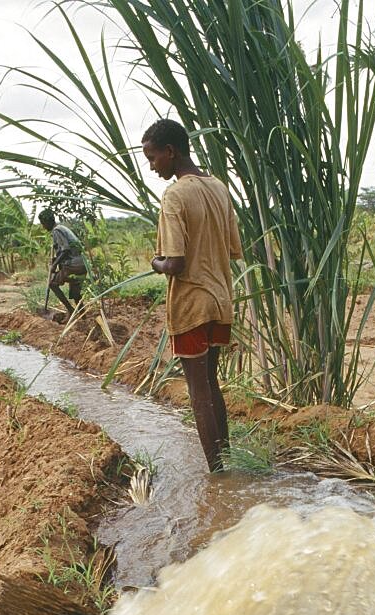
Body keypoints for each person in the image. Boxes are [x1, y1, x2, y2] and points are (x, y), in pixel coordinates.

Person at [142, 119, 242, 472]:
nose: (153, 167)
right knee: (212, 386)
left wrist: (156, 262)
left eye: (153, 158)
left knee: (198, 393)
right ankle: (226, 462)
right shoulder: (219, 187)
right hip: (220, 301)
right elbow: (233, 248)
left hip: (191, 305)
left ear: (171, 152)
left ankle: (217, 476)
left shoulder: (175, 195)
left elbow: (176, 262)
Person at [38, 208, 87, 319]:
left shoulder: (56, 231)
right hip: (82, 264)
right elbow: (66, 250)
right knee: (76, 293)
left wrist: (55, 264)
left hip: (73, 265)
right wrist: (56, 258)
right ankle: (83, 316)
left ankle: (71, 311)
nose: (43, 227)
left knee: (52, 284)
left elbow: (65, 250)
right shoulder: (62, 228)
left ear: (47, 222)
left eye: (43, 224)